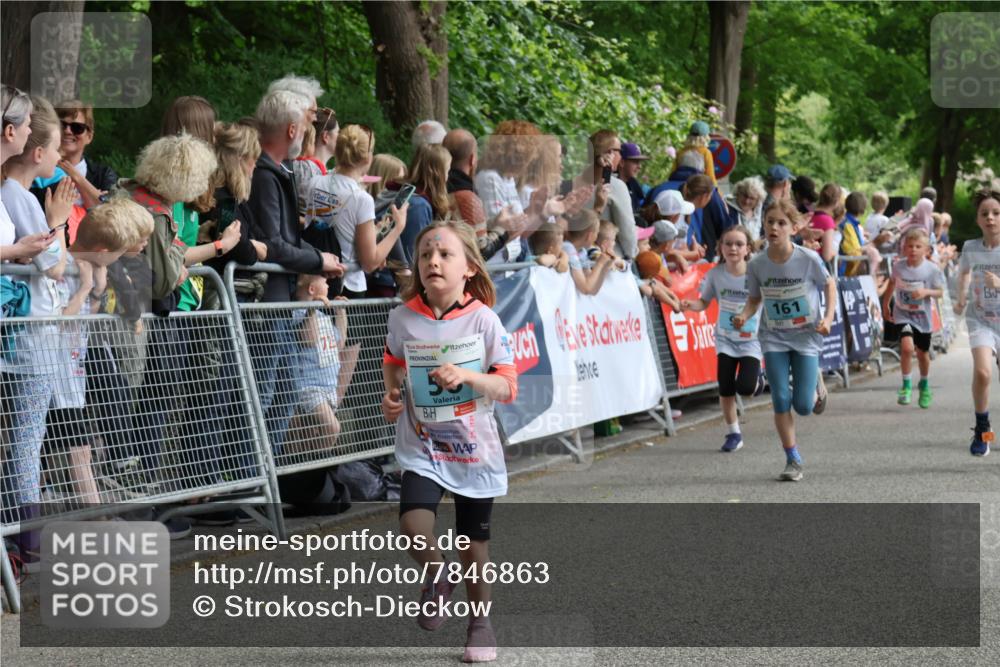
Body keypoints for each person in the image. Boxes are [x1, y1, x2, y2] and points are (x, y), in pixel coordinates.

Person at [380, 220, 517, 663]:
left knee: (472, 546)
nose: (433, 262)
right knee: (412, 526)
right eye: (425, 255)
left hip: (474, 449)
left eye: (444, 254)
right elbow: (393, 361)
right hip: (423, 445)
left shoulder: (484, 320)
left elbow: (507, 386)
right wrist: (392, 394)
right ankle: (438, 574)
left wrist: (468, 377)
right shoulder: (403, 317)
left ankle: (480, 625)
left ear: (469, 268)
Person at [732, 199, 836, 481]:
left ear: (794, 228)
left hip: (805, 335)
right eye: (770, 222)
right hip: (773, 336)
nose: (774, 228)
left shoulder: (808, 258)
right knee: (780, 397)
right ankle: (792, 459)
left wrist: (827, 318)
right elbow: (754, 298)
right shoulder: (757, 263)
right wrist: (744, 315)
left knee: (803, 406)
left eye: (781, 223)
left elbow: (829, 284)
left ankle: (817, 385)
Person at [680, 226, 763, 452]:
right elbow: (704, 302)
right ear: (721, 248)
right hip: (725, 339)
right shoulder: (715, 274)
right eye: (728, 243)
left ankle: (758, 380)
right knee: (725, 388)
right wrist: (689, 305)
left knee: (745, 388)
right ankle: (734, 433)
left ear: (748, 249)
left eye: (739, 244)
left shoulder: (756, 274)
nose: (733, 248)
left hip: (751, 340)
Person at [305, 124, 408, 299]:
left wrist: (375, 231)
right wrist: (397, 227)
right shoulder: (361, 199)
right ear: (367, 158)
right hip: (347, 285)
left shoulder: (315, 182)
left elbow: (338, 226)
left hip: (313, 277)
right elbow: (370, 262)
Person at [952, 187, 1000, 456]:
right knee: (983, 373)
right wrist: (960, 299)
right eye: (985, 213)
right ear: (978, 219)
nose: (990, 217)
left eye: (996, 213)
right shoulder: (971, 247)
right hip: (980, 319)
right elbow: (963, 274)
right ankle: (983, 429)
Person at [287, 274, 350, 455]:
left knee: (308, 435)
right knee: (332, 427)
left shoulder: (323, 316)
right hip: (310, 388)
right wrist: (311, 310)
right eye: (325, 283)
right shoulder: (298, 313)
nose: (329, 286)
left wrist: (341, 312)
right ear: (312, 290)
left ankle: (307, 463)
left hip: (329, 387)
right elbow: (309, 338)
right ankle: (315, 463)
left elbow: (339, 343)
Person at [882, 228, 945, 409]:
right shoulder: (898, 266)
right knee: (907, 348)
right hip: (902, 314)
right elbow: (891, 283)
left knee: (922, 353)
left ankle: (924, 385)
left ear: (926, 249)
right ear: (904, 248)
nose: (913, 250)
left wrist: (925, 292)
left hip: (922, 317)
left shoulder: (931, 269)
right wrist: (886, 304)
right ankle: (906, 386)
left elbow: (940, 292)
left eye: (918, 246)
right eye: (910, 246)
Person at [443, 128, 513, 262]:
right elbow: (481, 251)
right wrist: (503, 228)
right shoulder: (467, 198)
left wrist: (494, 222)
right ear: (472, 159)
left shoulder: (437, 187)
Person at [475, 120, 539, 261]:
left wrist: (536, 210)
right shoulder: (490, 178)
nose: (529, 162)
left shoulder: (508, 179)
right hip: (495, 262)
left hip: (510, 259)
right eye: (528, 157)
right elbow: (499, 232)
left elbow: (516, 227)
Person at [572, 129, 639, 260]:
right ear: (609, 153)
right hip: (608, 257)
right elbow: (627, 231)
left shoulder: (573, 182)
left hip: (577, 254)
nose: (621, 157)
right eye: (619, 151)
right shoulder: (616, 187)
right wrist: (632, 254)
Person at [293, 107, 338, 216]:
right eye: (338, 132)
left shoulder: (311, 169)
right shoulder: (307, 170)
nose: (342, 138)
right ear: (326, 136)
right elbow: (307, 214)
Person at [562, 209, 616, 294]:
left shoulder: (582, 251)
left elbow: (592, 290)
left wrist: (605, 267)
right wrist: (600, 263)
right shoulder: (568, 248)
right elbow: (585, 288)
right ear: (590, 236)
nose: (596, 237)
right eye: (596, 233)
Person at [671, 121, 716, 185]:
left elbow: (673, 172)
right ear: (705, 137)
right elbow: (710, 176)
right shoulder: (706, 153)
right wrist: (716, 189)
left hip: (679, 185)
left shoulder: (681, 152)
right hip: (697, 186)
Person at [728, 176, 766, 245]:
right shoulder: (727, 210)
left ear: (758, 200)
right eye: (745, 195)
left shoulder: (762, 213)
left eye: (752, 198)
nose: (746, 201)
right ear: (738, 193)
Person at [617, 141, 649, 213]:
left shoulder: (633, 184)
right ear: (622, 162)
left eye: (640, 162)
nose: (639, 167)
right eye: (635, 162)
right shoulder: (611, 185)